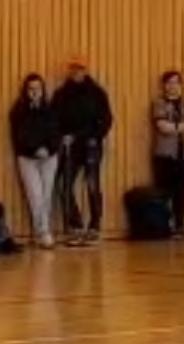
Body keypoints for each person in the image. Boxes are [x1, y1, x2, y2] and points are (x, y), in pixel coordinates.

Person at [52, 55, 113, 245]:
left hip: (91, 145)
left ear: (86, 70)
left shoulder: (97, 93)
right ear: (69, 70)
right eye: (73, 68)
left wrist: (94, 136)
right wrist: (62, 137)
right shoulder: (60, 94)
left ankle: (95, 225)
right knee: (64, 184)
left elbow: (106, 120)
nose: (76, 72)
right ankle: (75, 225)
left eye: (80, 68)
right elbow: (54, 120)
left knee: (92, 184)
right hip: (70, 147)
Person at [10, 74, 62, 249]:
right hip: (27, 158)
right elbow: (19, 136)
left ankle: (42, 232)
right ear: (26, 91)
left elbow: (55, 132)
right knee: (35, 195)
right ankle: (43, 232)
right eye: (31, 89)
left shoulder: (51, 110)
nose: (34, 92)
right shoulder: (18, 111)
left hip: (49, 157)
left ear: (43, 90)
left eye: (38, 88)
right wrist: (35, 149)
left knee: (46, 195)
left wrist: (49, 148)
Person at [151, 70, 184, 237]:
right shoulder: (159, 103)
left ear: (181, 85)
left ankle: (180, 225)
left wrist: (175, 126)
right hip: (165, 155)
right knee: (164, 191)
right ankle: (163, 226)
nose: (173, 86)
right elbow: (162, 127)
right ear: (164, 85)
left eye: (176, 82)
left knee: (181, 191)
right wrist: (182, 126)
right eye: (170, 82)